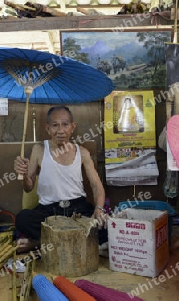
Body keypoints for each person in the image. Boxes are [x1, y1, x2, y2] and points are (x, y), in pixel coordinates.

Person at [13, 105, 108, 253]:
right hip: (48, 212)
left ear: (72, 127)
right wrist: (23, 175)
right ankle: (74, 241)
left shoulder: (82, 153)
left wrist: (99, 209)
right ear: (48, 128)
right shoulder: (39, 149)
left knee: (106, 225)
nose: (60, 130)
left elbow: (96, 186)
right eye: (55, 125)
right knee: (23, 218)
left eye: (65, 124)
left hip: (78, 209)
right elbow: (28, 187)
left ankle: (41, 243)